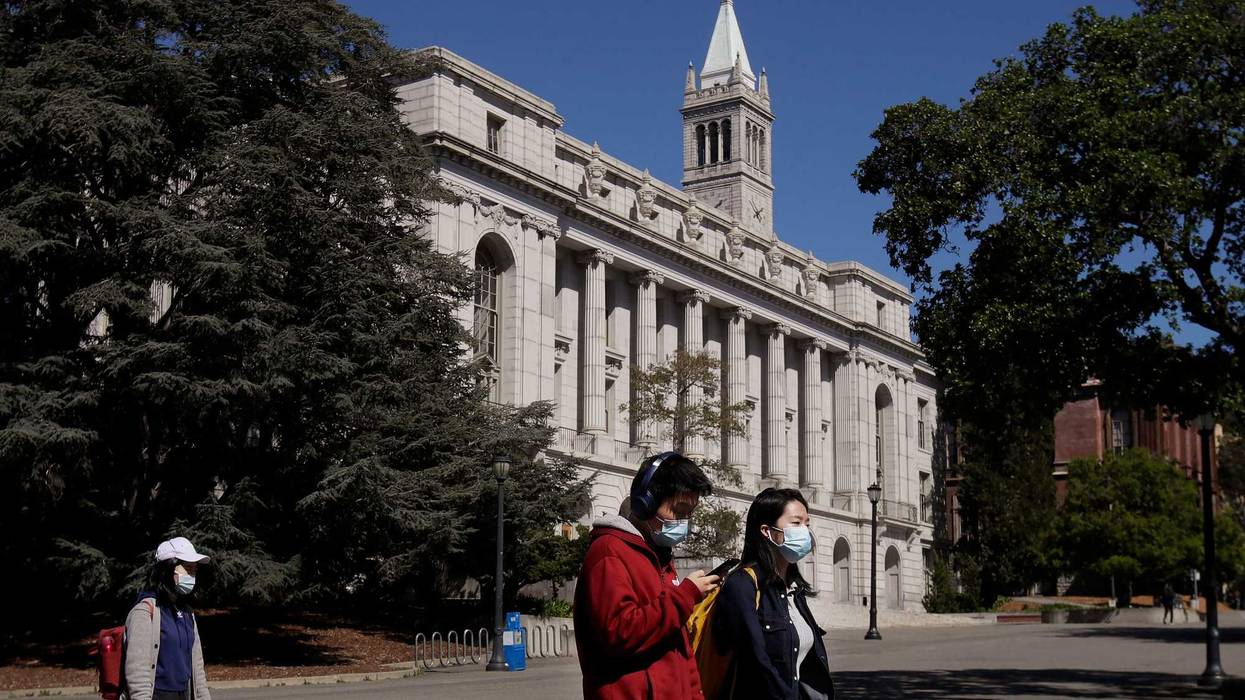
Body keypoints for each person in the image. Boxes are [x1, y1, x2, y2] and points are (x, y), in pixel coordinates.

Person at [574, 451, 720, 699]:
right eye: (678, 511)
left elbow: (680, 648)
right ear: (645, 503)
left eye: (690, 513)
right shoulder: (609, 551)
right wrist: (685, 596)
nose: (684, 521)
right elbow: (619, 632)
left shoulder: (660, 555)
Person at [714, 488, 833, 700]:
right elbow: (755, 660)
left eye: (806, 524)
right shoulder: (742, 585)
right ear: (766, 531)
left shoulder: (794, 590)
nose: (805, 531)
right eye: (796, 523)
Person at [124, 537, 212, 700]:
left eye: (194, 570)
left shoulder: (187, 612)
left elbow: (197, 668)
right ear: (168, 569)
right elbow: (137, 672)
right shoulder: (145, 612)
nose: (192, 576)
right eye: (187, 569)